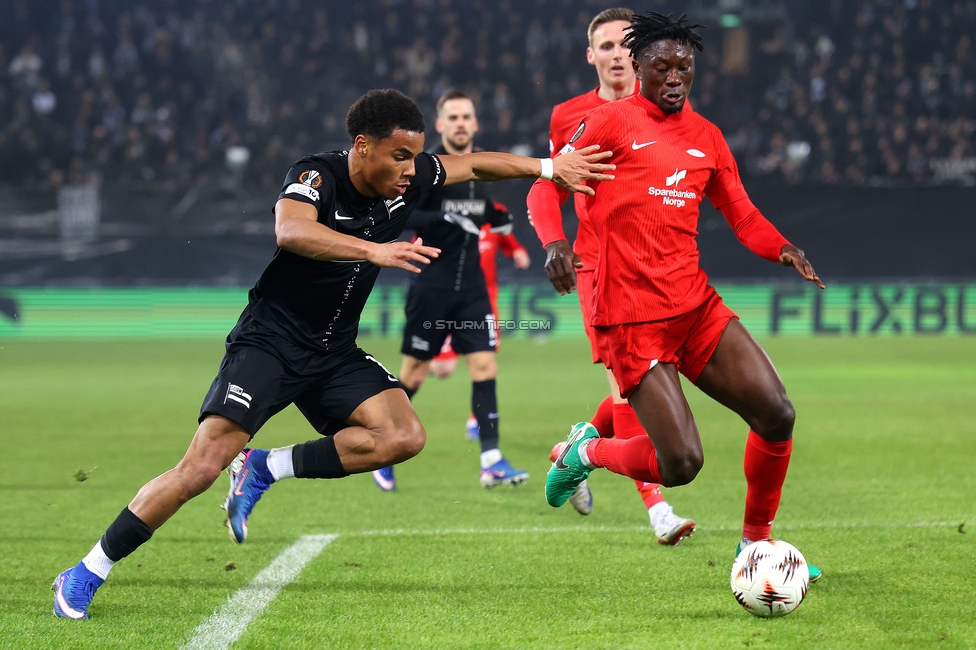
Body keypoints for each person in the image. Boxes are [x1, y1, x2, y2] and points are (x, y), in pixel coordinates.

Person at [52, 88, 614, 619]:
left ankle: (267, 466)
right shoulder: (314, 174)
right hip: (270, 343)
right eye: (397, 157)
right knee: (199, 468)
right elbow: (292, 233)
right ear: (362, 146)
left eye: (414, 159)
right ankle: (86, 570)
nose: (408, 170)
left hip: (333, 351)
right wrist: (376, 250)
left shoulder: (410, 175)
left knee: (403, 436)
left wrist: (548, 167)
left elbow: (479, 165)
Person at [532, 12, 825, 582]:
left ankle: (754, 547)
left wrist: (782, 247)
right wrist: (554, 243)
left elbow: (741, 214)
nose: (673, 77)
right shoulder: (610, 123)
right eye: (661, 66)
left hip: (694, 307)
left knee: (776, 413)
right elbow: (548, 184)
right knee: (682, 464)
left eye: (683, 67)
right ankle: (583, 454)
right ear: (637, 68)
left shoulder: (707, 137)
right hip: (629, 318)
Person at [527, 7, 694, 541]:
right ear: (592, 56)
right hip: (600, 268)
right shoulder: (570, 115)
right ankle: (657, 508)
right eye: (607, 46)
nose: (618, 54)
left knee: (654, 382)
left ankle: (574, 448)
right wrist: (553, 241)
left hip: (663, 270)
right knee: (631, 389)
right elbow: (548, 185)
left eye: (627, 44)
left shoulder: (671, 110)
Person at [372, 91, 529, 492]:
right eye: (452, 117)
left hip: (472, 288)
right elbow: (402, 213)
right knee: (415, 372)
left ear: (475, 124)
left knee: (485, 367)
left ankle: (491, 460)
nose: (460, 123)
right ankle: (384, 447)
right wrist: (445, 215)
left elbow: (484, 215)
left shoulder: (483, 169)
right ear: (440, 125)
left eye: (467, 116)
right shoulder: (426, 168)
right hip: (432, 286)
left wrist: (496, 218)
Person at [427, 223, 532, 442]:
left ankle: (477, 421)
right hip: (450, 300)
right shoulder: (445, 212)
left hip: (484, 301)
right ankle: (421, 366)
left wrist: (518, 251)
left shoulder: (492, 213)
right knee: (443, 369)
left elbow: (508, 240)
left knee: (485, 362)